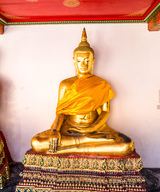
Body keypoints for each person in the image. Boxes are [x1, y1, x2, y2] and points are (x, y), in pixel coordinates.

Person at [31, 28, 134, 156]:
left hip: (96, 130)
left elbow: (105, 112)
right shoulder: (65, 84)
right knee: (37, 142)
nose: (83, 64)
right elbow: (60, 113)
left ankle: (76, 145)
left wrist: (93, 128)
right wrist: (54, 131)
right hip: (69, 130)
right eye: (79, 61)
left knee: (126, 145)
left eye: (86, 60)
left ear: (93, 61)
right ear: (74, 61)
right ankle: (85, 141)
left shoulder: (101, 84)